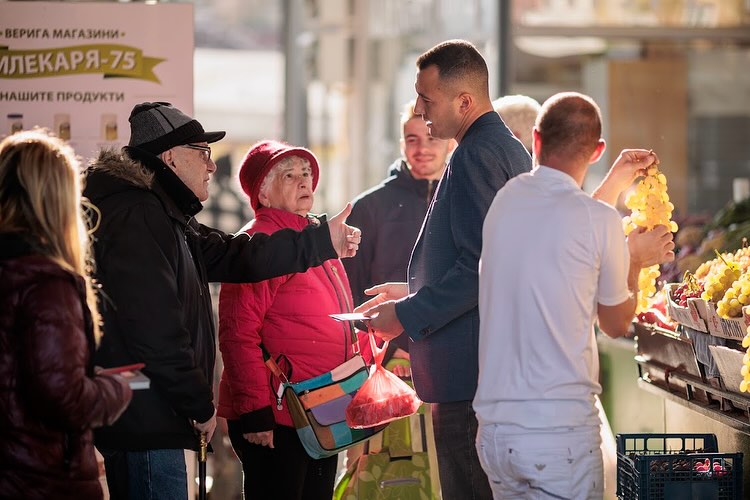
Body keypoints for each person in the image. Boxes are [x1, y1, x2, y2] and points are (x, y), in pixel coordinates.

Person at [84, 102, 361, 499]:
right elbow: (156, 330)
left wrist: (321, 241)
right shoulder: (139, 215)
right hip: (145, 414)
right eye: (203, 152)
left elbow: (237, 256)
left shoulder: (163, 213)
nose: (212, 166)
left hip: (156, 410)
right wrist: (200, 405)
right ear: (171, 158)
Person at [473, 92, 675, 499]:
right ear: (597, 150)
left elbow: (567, 225)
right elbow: (615, 323)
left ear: (536, 140)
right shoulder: (597, 220)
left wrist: (616, 183)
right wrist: (634, 260)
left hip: (496, 434)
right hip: (557, 435)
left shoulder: (506, 201)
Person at [358, 39, 532, 499]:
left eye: (427, 99)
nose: (420, 110)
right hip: (481, 370)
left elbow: (480, 266)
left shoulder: (477, 152)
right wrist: (409, 290)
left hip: (469, 375)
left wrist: (408, 313)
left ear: (465, 101)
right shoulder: (500, 147)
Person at [217, 140, 372, 499]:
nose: (304, 182)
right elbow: (238, 334)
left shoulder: (313, 238)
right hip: (278, 415)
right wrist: (255, 413)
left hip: (322, 407)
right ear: (264, 194)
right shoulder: (258, 241)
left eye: (306, 173)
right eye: (290, 175)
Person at [0, 130, 133, 499]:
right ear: (60, 198)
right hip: (40, 478)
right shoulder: (47, 283)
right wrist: (114, 388)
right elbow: (64, 399)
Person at [344, 99, 454, 368]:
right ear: (402, 144)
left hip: (452, 354)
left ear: (450, 143)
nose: (423, 149)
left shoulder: (464, 200)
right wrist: (386, 348)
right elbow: (350, 291)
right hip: (386, 359)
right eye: (412, 139)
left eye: (431, 138)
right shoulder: (369, 207)